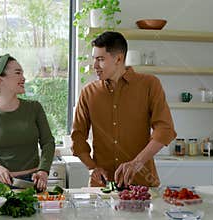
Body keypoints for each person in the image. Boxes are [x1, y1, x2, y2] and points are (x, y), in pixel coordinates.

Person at [71, 31, 177, 188]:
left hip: (142, 184)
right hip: (103, 187)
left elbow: (164, 129)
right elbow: (78, 138)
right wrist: (92, 167)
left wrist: (136, 163)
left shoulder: (149, 84)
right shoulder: (88, 92)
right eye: (94, 59)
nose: (95, 66)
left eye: (100, 59)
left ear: (118, 59)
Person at [0, 54, 55, 191]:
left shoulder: (34, 108)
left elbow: (48, 142)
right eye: (18, 73)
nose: (23, 78)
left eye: (22, 73)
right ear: (0, 79)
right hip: (0, 185)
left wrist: (43, 171)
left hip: (34, 183)